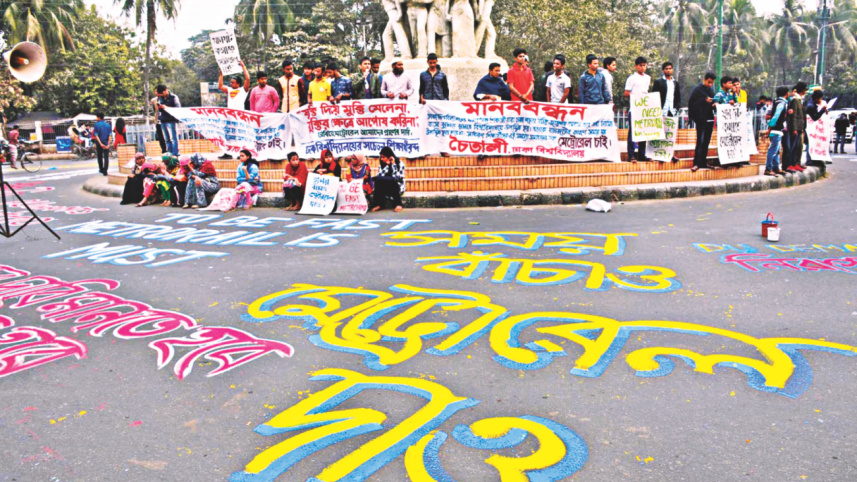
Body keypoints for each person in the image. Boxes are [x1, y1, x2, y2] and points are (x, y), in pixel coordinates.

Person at [624, 56, 651, 162]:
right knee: (633, 132)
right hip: (635, 108)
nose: (643, 67)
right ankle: (631, 155)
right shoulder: (631, 78)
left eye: (644, 65)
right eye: (641, 65)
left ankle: (642, 154)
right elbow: (626, 93)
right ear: (636, 66)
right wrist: (636, 96)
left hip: (644, 109)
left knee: (643, 132)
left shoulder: (648, 78)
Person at [688, 72, 717, 172]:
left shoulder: (711, 90)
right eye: (709, 82)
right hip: (700, 118)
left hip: (709, 117)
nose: (710, 84)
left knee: (706, 141)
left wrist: (713, 103)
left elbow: (714, 100)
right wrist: (704, 100)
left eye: (712, 83)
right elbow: (692, 103)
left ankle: (703, 162)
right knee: (700, 141)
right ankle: (696, 163)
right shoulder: (697, 90)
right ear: (704, 79)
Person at [764, 86, 790, 177]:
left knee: (777, 150)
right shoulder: (781, 103)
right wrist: (771, 124)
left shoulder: (776, 101)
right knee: (773, 150)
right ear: (787, 93)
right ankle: (768, 168)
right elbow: (777, 115)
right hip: (777, 129)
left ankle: (776, 167)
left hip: (776, 130)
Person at [371, 146, 405, 212]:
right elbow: (380, 176)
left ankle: (398, 204)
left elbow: (398, 177)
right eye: (381, 157)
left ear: (389, 157)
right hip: (386, 187)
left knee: (393, 180)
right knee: (378, 180)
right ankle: (379, 204)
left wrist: (393, 165)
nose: (381, 159)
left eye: (383, 157)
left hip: (397, 186)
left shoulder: (400, 164)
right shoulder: (381, 165)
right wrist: (388, 166)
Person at [784, 81, 808, 172]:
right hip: (796, 128)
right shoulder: (795, 100)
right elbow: (793, 116)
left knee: (798, 147)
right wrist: (794, 128)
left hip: (800, 127)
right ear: (802, 90)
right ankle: (791, 164)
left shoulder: (800, 100)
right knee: (793, 147)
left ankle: (795, 163)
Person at [156, 84, 181, 156]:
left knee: (174, 138)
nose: (162, 95)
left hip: (171, 120)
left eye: (162, 93)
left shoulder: (174, 97)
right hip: (163, 119)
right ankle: (169, 152)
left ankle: (175, 153)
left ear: (166, 90)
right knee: (167, 138)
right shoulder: (160, 98)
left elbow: (178, 108)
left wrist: (166, 107)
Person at [805, 89, 828, 166]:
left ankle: (815, 159)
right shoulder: (811, 106)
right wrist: (822, 110)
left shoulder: (812, 104)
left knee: (814, 143)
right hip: (809, 128)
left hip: (814, 128)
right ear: (817, 98)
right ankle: (809, 160)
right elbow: (815, 117)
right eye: (820, 98)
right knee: (810, 143)